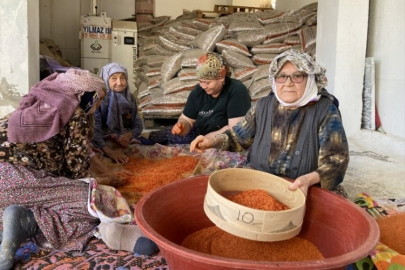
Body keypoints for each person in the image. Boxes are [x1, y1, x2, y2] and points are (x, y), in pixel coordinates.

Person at [0, 70, 156, 270]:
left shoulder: (39, 100)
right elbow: (77, 173)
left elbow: (77, 155)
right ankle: (29, 222)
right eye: (98, 99)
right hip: (16, 179)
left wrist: (103, 173)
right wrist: (105, 181)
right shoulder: (76, 114)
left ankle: (16, 219)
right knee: (92, 199)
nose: (98, 105)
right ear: (86, 95)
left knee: (56, 196)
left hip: (11, 185)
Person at [190, 49, 349, 197]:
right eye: (281, 76)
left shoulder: (325, 111)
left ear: (310, 78)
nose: (288, 83)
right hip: (261, 184)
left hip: (304, 189)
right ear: (274, 79)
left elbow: (336, 160)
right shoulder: (263, 105)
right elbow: (238, 136)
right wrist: (211, 141)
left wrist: (308, 179)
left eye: (297, 76)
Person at [146, 52, 252, 144]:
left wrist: (208, 140)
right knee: (159, 137)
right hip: (200, 134)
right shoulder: (198, 92)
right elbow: (187, 119)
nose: (203, 86)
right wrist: (182, 126)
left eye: (207, 82)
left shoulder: (237, 91)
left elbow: (235, 131)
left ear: (221, 76)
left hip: (222, 139)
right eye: (200, 81)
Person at [92, 62, 143, 164]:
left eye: (123, 78)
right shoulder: (99, 98)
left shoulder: (130, 98)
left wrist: (129, 135)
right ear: (106, 79)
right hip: (102, 142)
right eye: (114, 78)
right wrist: (109, 151)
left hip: (124, 141)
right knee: (98, 161)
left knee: (142, 155)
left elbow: (138, 125)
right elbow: (94, 130)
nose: (119, 83)